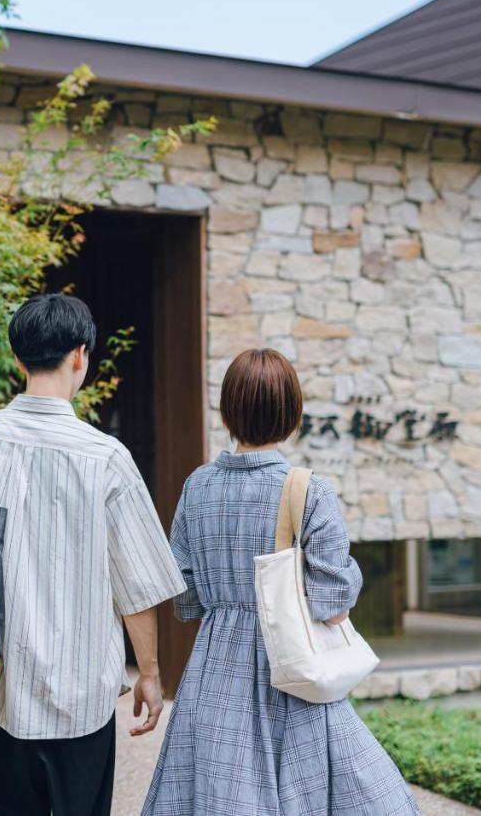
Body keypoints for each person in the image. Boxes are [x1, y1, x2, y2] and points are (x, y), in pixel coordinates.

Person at [0, 292, 186, 816]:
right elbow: (137, 585)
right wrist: (149, 674)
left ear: (18, 360)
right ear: (80, 355)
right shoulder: (107, 456)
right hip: (81, 695)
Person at [142, 348, 417, 816]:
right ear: (292, 413)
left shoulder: (197, 486)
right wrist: (353, 571)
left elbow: (186, 601)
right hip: (287, 664)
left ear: (229, 411)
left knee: (216, 791)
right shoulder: (310, 490)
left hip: (213, 666)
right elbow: (333, 606)